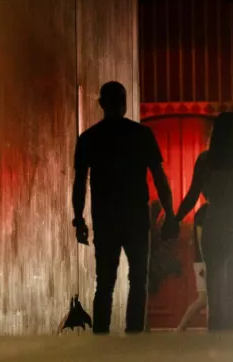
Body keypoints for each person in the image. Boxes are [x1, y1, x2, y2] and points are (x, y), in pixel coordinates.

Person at [73, 81, 176, 335]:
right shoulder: (141, 135)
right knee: (138, 279)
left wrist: (79, 219)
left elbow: (79, 183)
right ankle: (134, 335)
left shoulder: (89, 138)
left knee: (105, 282)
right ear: (125, 102)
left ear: (101, 104)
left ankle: (100, 336)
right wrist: (171, 213)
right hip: (136, 219)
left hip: (106, 219)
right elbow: (159, 178)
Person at [163, 112, 233, 331]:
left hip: (215, 223)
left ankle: (217, 344)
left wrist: (175, 219)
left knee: (215, 290)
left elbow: (192, 196)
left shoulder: (206, 160)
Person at [176, 203, 209, 332]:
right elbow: (200, 239)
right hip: (202, 261)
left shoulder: (206, 211)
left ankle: (211, 330)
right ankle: (180, 327)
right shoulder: (203, 212)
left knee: (208, 299)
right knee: (203, 299)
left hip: (204, 260)